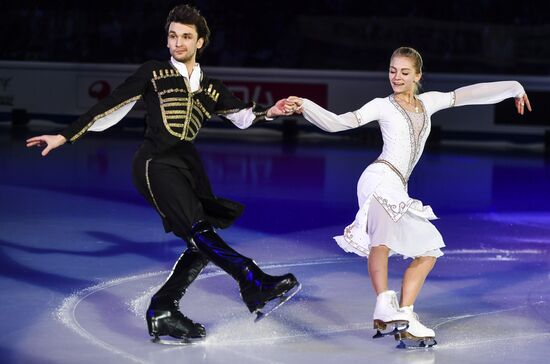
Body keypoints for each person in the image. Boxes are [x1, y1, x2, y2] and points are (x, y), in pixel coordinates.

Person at [26, 4, 300, 344]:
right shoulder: (153, 73)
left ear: (200, 42)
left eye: (186, 37)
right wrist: (64, 135)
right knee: (200, 231)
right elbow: (108, 106)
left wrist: (271, 111)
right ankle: (252, 280)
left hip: (188, 166)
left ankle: (162, 309)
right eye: (173, 36)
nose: (178, 43)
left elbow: (243, 115)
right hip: (155, 162)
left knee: (201, 243)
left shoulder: (211, 88)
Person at [288, 46, 531, 347]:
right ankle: (383, 303)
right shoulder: (382, 105)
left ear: (418, 75)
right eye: (392, 71)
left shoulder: (428, 103)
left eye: (404, 72)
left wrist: (513, 88)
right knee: (383, 239)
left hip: (397, 185)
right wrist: (306, 106)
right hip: (379, 177)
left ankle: (405, 315)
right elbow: (340, 122)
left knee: (429, 248)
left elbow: (468, 94)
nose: (397, 77)